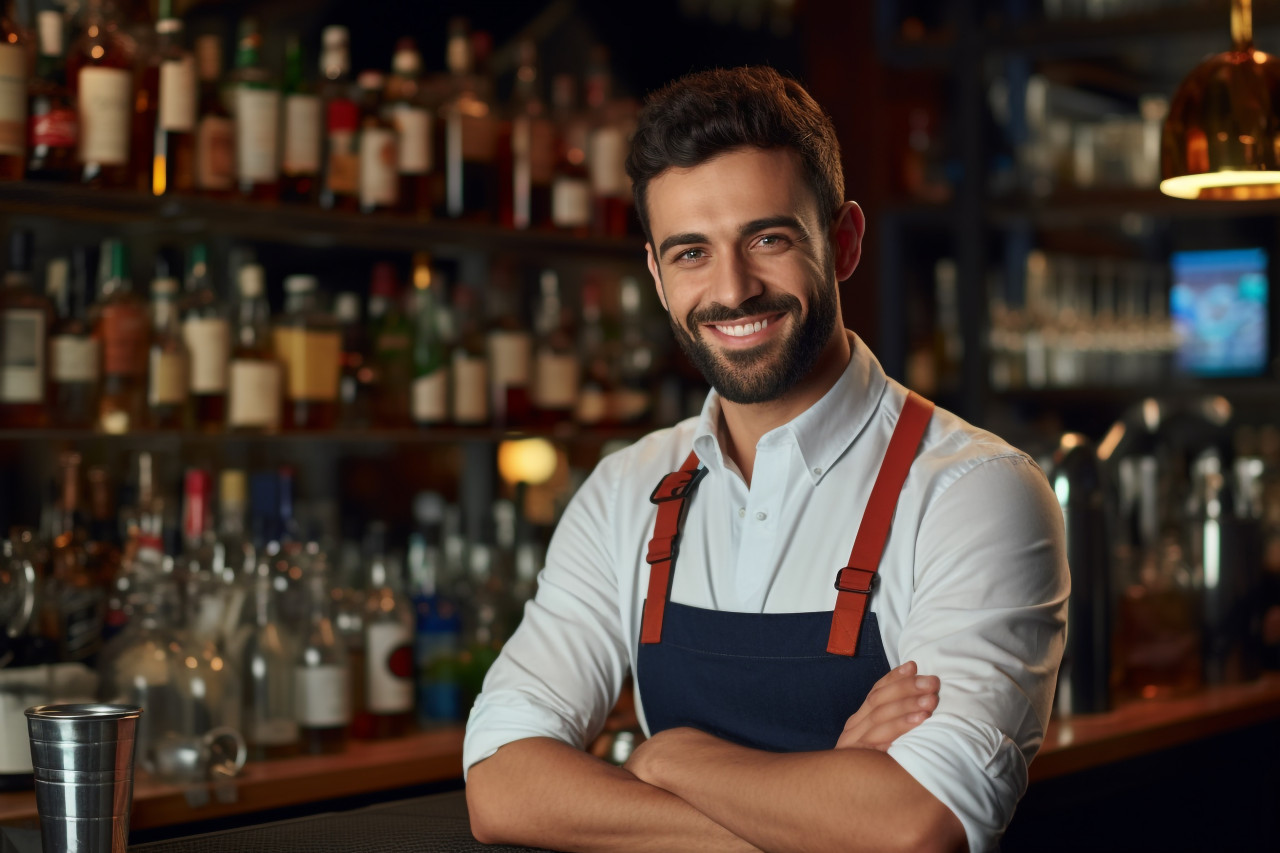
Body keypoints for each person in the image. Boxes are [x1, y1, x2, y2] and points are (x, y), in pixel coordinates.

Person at [464, 65, 1069, 853]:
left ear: (843, 241)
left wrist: (663, 755)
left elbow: (915, 823)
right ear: (655, 275)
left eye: (768, 238)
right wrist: (818, 805)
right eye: (690, 253)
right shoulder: (626, 489)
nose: (733, 289)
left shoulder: (973, 491)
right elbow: (502, 784)